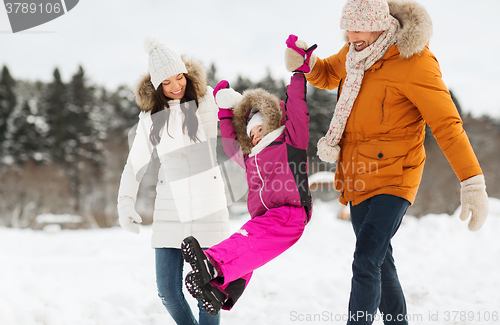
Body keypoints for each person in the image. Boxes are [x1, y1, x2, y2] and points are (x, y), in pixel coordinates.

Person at [285, 0, 489, 324]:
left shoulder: (415, 62)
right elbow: (326, 74)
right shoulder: (353, 53)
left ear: (381, 24)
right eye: (347, 28)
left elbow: (447, 125)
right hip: (358, 175)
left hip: (397, 176)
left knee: (366, 258)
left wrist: (472, 181)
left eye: (359, 27)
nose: (352, 35)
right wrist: (306, 64)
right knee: (381, 261)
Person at [179, 38, 315, 315]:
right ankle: (219, 290)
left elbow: (298, 107)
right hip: (266, 217)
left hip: (290, 213)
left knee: (247, 240)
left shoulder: (290, 142)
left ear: (273, 123)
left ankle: (212, 263)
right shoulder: (251, 157)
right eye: (250, 134)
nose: (254, 136)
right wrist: (225, 113)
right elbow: (231, 143)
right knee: (250, 251)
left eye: (259, 130)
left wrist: (298, 73)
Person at [117, 35, 230, 325]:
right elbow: (134, 166)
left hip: (209, 208)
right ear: (157, 86)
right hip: (171, 210)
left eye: (179, 77)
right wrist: (125, 203)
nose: (176, 86)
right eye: (166, 82)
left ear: (186, 74)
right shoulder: (151, 117)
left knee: (209, 291)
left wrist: (241, 103)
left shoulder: (208, 100)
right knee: (167, 291)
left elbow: (245, 111)